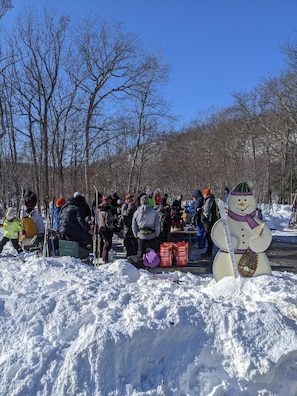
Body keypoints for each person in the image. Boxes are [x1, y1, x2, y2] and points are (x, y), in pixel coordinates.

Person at [132, 195, 160, 265]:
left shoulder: (137, 212)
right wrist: (157, 233)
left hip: (141, 235)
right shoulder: (154, 212)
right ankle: (156, 263)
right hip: (152, 234)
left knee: (141, 253)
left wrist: (135, 234)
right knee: (157, 250)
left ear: (141, 202)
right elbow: (157, 224)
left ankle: (142, 265)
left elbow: (134, 225)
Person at [201, 188, 217, 257]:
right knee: (209, 236)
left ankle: (209, 251)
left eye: (204, 194)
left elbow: (207, 210)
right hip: (211, 220)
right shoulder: (212, 200)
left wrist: (204, 217)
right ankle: (209, 250)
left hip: (209, 221)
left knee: (209, 236)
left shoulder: (209, 200)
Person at [98, 195, 114, 263]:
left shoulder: (99, 209)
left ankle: (104, 257)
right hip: (106, 228)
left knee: (104, 242)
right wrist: (111, 226)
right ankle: (104, 258)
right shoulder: (107, 209)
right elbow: (108, 220)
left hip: (101, 227)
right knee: (107, 243)